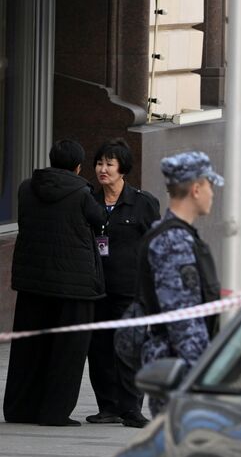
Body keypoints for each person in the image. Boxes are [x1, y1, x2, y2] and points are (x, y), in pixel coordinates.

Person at [2, 140, 106, 426]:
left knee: (28, 346)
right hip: (75, 285)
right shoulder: (83, 193)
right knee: (68, 350)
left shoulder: (26, 188)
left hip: (32, 280)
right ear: (78, 166)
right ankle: (54, 412)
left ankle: (19, 408)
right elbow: (98, 221)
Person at [138, 152, 223, 415]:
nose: (213, 193)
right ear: (196, 189)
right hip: (181, 372)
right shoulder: (174, 242)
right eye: (210, 185)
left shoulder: (175, 235)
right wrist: (202, 376)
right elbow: (184, 318)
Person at [86, 139, 161, 427]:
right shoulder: (88, 200)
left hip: (131, 288)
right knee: (100, 350)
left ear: (122, 169)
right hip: (97, 288)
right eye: (99, 163)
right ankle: (108, 406)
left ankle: (131, 408)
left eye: (109, 164)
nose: (102, 169)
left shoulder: (142, 202)